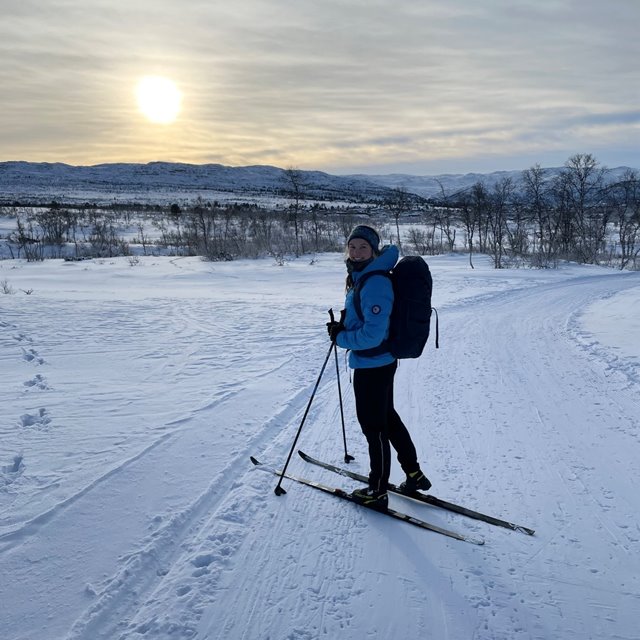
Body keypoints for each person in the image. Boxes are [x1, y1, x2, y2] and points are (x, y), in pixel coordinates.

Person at [327, 225, 431, 511]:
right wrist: (344, 325)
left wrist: (341, 337)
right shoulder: (364, 276)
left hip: (373, 363)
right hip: (379, 361)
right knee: (387, 419)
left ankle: (377, 490)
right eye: (352, 246)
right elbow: (365, 320)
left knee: (375, 429)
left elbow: (373, 334)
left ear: (374, 250)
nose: (357, 252)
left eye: (363, 247)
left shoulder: (375, 282)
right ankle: (414, 474)